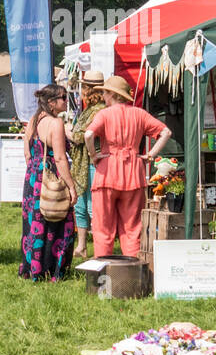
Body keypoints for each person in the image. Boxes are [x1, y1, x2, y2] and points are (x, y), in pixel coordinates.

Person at [84, 75, 172, 259]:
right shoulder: (139, 114)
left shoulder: (104, 114)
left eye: (105, 93)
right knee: (132, 229)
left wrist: (93, 155)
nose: (103, 97)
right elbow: (166, 132)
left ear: (111, 94)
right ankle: (132, 273)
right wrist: (150, 155)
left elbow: (89, 134)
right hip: (133, 173)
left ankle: (103, 273)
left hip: (106, 173)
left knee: (103, 228)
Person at [19, 83, 78, 281]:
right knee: (56, 218)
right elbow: (60, 158)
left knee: (34, 222)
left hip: (33, 177)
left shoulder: (34, 120)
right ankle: (53, 269)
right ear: (51, 103)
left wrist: (35, 170)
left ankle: (32, 268)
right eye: (62, 97)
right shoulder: (56, 123)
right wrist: (71, 186)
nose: (65, 100)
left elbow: (27, 152)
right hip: (52, 174)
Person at [67, 70, 107, 259]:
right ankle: (81, 246)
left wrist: (67, 130)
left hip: (93, 163)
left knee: (93, 208)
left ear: (89, 90)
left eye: (83, 87)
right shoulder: (88, 110)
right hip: (82, 163)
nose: (81, 91)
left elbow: (79, 136)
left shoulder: (99, 110)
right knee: (80, 207)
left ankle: (100, 250)